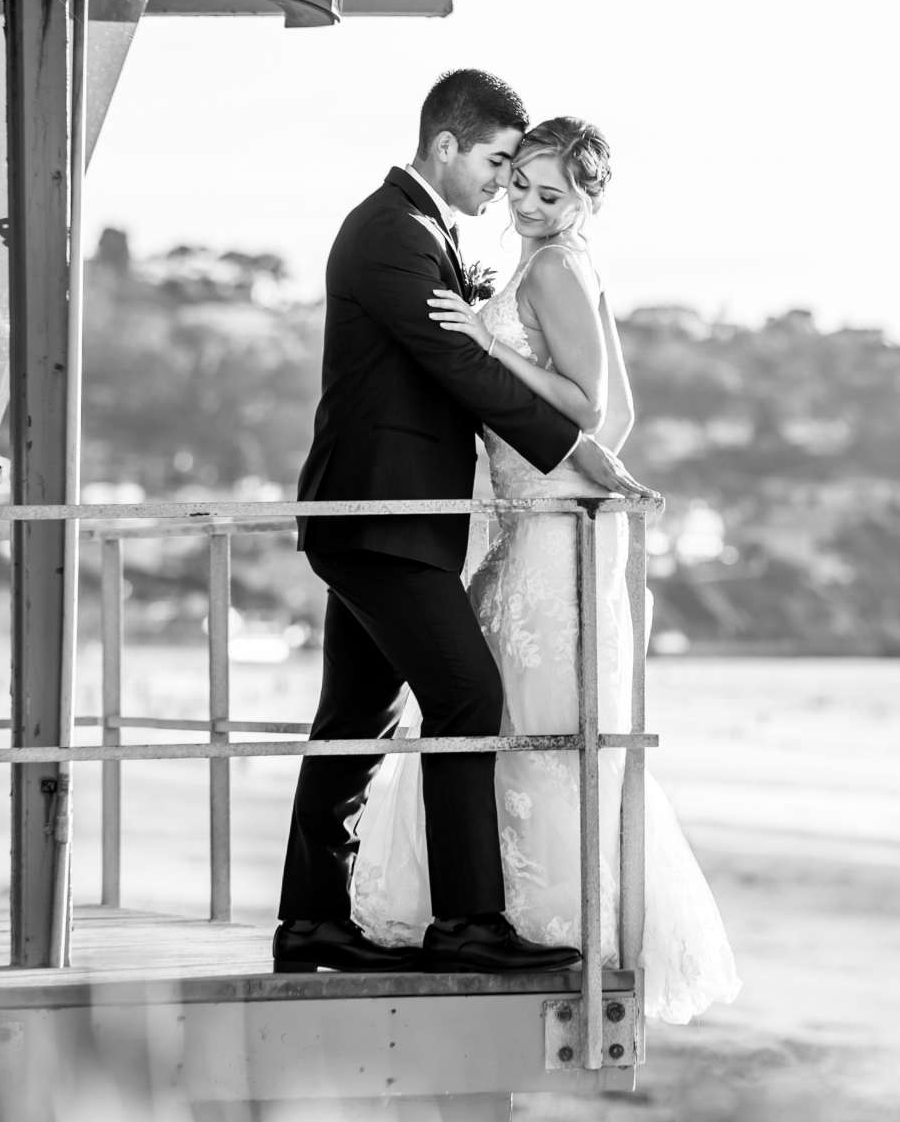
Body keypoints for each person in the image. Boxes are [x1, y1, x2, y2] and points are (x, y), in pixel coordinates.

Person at [349, 117, 741, 1022]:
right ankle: (516, 908)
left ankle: (545, 914)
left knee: (535, 714)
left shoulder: (560, 266)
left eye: (548, 193)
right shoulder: (558, 262)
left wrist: (485, 347)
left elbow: (591, 402)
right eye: (518, 181)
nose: (525, 204)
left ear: (586, 200)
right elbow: (623, 416)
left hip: (551, 524)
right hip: (537, 516)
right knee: (520, 708)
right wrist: (566, 475)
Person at [276, 71, 651, 976]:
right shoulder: (391, 235)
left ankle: (312, 922)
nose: (504, 187)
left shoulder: (423, 230)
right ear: (446, 145)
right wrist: (573, 452)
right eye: (497, 164)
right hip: (378, 515)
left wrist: (574, 439)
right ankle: (468, 923)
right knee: (466, 700)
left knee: (355, 716)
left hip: (397, 520)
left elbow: (531, 364)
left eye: (525, 177)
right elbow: (459, 364)